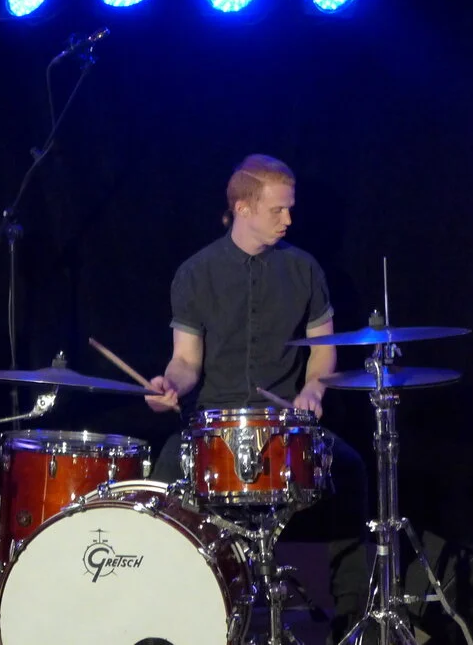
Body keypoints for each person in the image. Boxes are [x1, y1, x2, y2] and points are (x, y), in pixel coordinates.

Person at [145, 153, 370, 645]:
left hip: (285, 426)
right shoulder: (195, 272)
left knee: (350, 470)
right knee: (161, 489)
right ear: (243, 208)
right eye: (277, 210)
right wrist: (170, 384)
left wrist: (313, 388)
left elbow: (323, 352)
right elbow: (185, 361)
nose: (288, 219)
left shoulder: (305, 269)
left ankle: (353, 622)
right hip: (214, 426)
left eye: (290, 209)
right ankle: (165, 622)